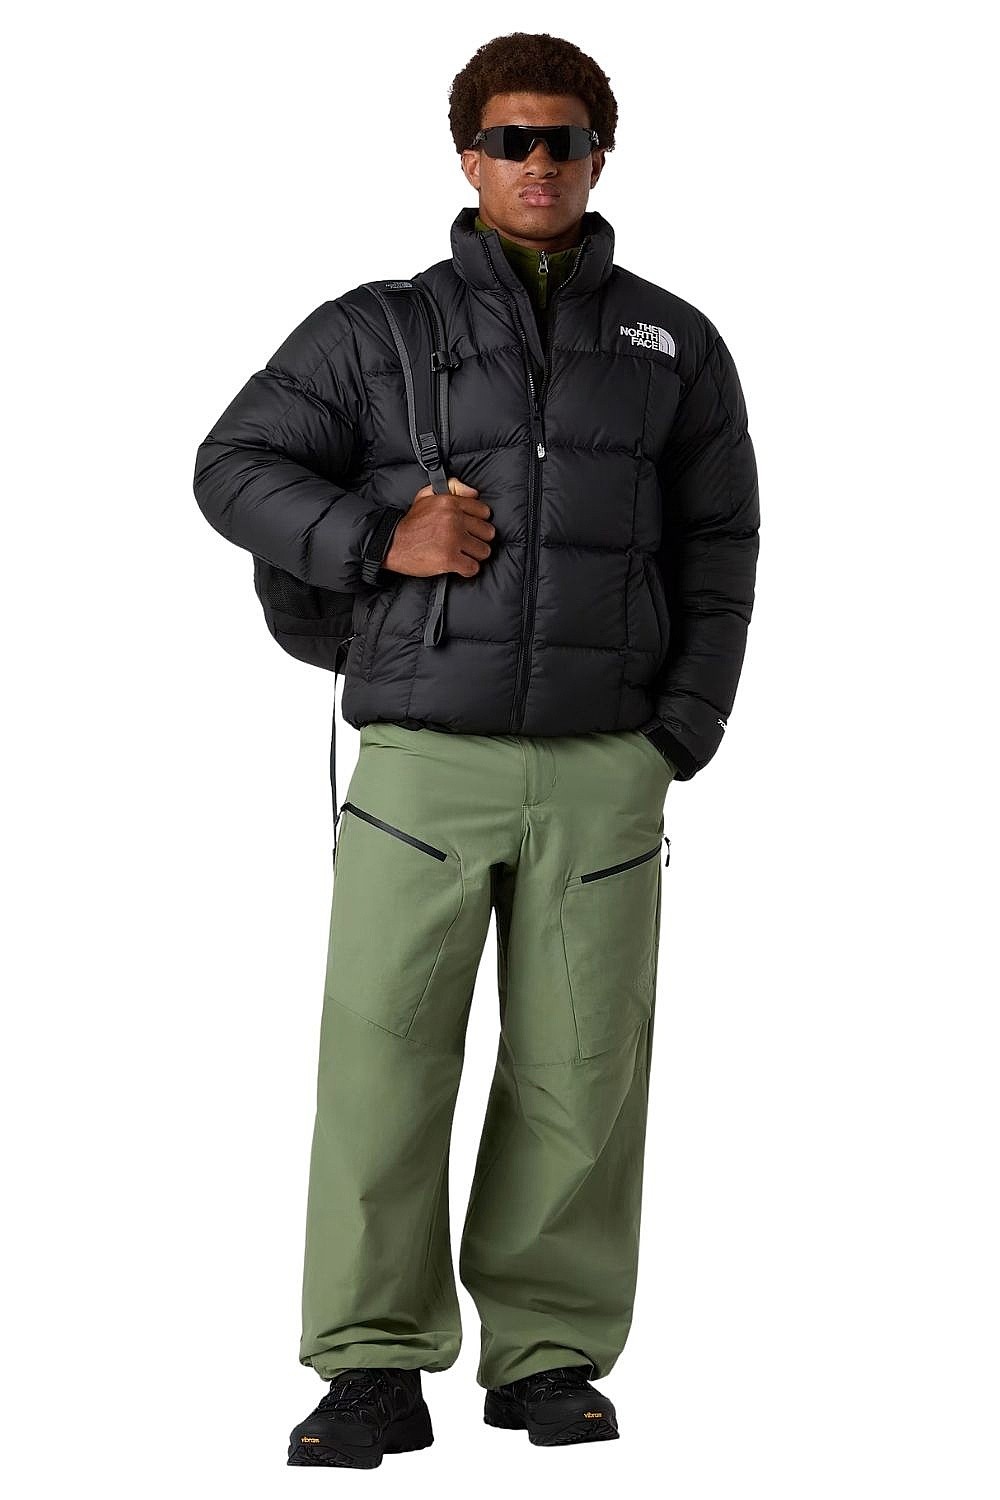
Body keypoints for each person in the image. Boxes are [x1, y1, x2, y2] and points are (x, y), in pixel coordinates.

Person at [193, 29, 759, 1468]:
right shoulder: (372, 332)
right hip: (424, 761)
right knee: (381, 1066)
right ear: (468, 156)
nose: (537, 162)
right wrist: (380, 537)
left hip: (604, 764)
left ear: (599, 157)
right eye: (511, 138)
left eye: (563, 139)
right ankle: (370, 1365)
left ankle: (549, 1354)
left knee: (583, 1071)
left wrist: (681, 729)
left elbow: (722, 543)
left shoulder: (674, 344)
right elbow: (231, 466)